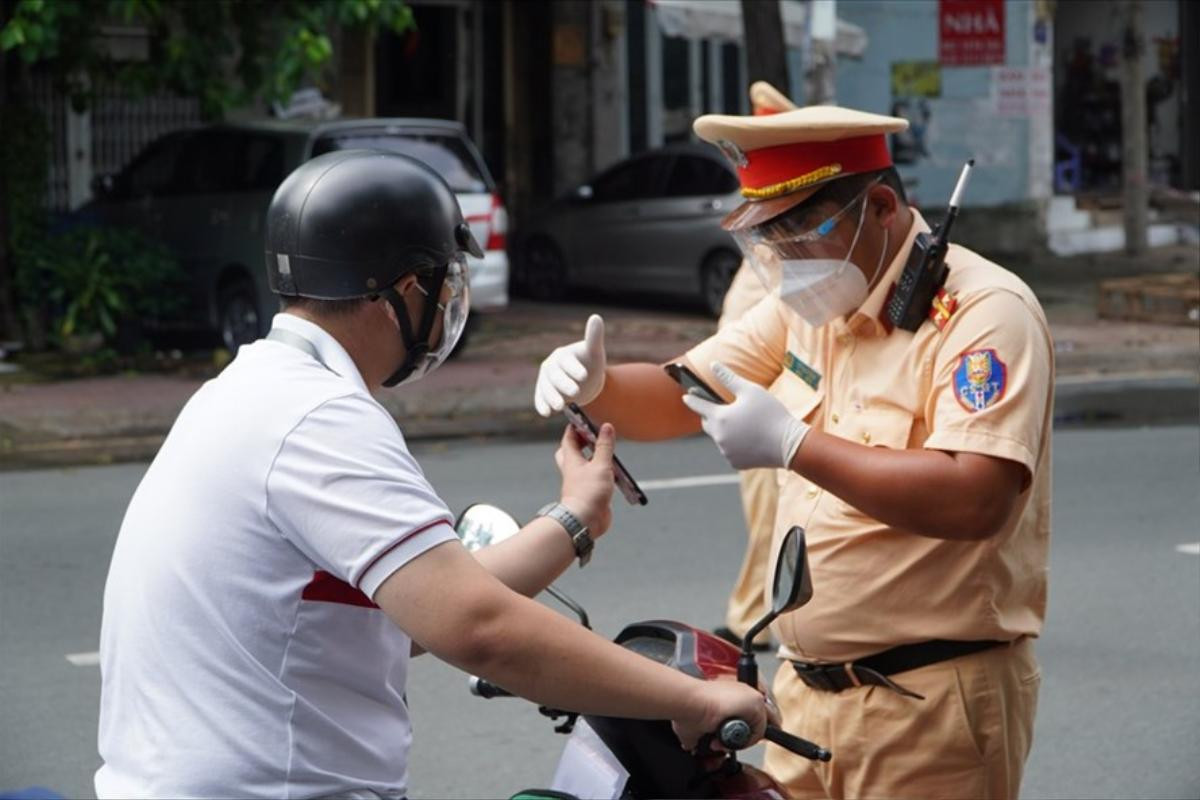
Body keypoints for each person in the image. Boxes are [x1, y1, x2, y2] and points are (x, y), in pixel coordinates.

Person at [94, 150, 770, 798]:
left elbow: (420, 611)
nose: (449, 303)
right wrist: (694, 697)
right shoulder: (319, 419)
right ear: (407, 288)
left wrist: (575, 517)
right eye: (446, 282)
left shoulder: (247, 391)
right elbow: (478, 629)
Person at [533, 106, 1053, 799]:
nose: (788, 264)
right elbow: (680, 391)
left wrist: (794, 444)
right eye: (769, 242)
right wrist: (596, 385)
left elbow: (976, 496)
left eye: (802, 236)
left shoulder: (983, 313)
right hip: (801, 701)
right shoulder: (814, 305)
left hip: (928, 702)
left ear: (881, 206)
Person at [713, 80, 796, 653]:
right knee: (763, 512)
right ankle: (753, 613)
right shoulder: (764, 228)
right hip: (740, 384)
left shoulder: (799, 240)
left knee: (778, 513)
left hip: (780, 394)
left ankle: (759, 620)